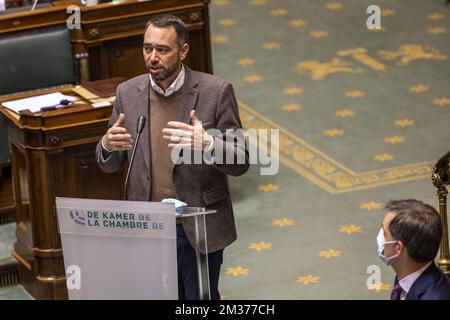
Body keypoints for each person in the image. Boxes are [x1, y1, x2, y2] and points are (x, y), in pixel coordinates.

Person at [95, 14, 249, 300]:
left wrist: (207, 143)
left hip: (196, 227)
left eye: (163, 50)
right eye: (147, 48)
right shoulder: (128, 93)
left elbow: (241, 161)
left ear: (183, 51)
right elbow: (111, 161)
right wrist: (106, 145)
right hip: (148, 228)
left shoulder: (215, 92)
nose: (153, 57)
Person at [377, 199, 450, 300]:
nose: (380, 236)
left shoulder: (433, 296)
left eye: (384, 233)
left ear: (398, 248)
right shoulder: (407, 275)